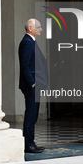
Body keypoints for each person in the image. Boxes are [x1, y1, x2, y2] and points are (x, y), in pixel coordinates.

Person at [18, 18, 48, 153]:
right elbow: (25, 65)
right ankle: (28, 144)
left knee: (33, 114)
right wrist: (32, 83)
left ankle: (31, 142)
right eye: (39, 27)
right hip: (32, 86)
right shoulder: (27, 43)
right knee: (31, 115)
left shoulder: (32, 42)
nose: (41, 29)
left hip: (36, 85)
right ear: (30, 28)